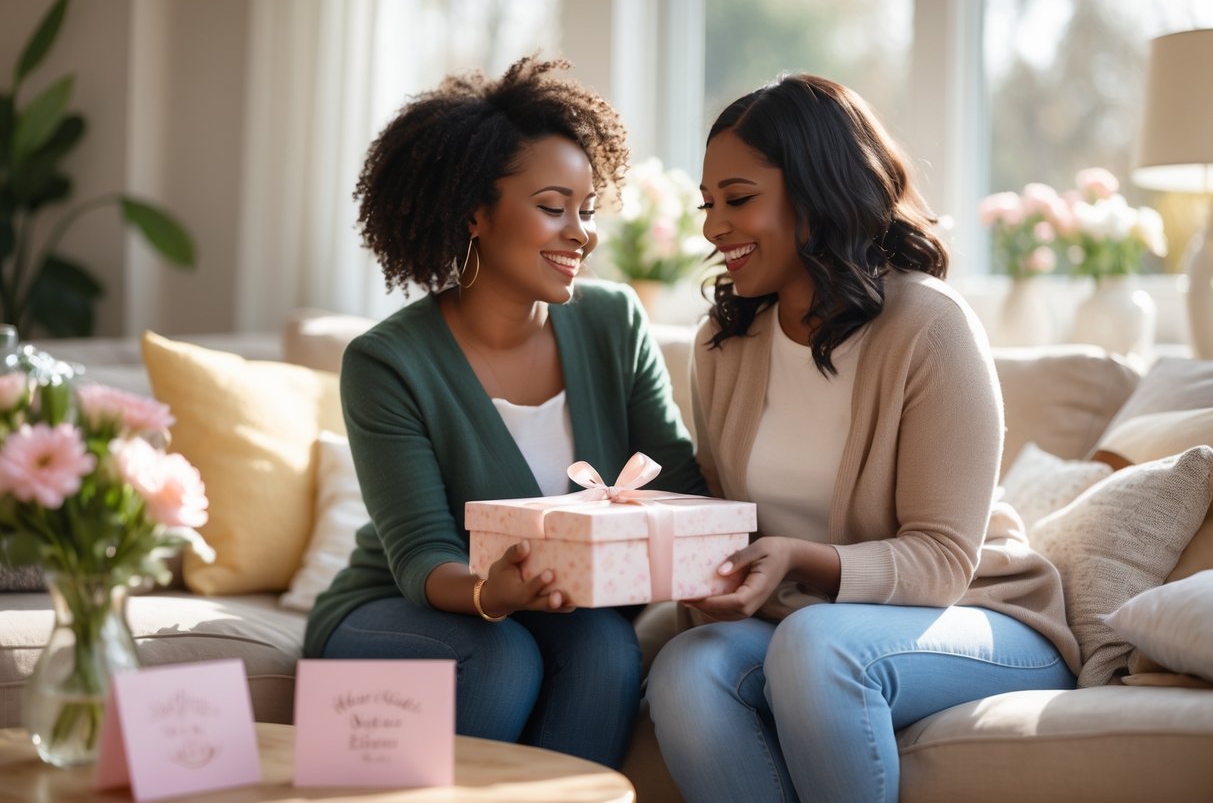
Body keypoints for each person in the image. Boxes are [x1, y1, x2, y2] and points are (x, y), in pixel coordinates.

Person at [646, 74, 1081, 802]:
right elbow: (728, 522)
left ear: (816, 193)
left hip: (973, 617)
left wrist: (797, 558)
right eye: (708, 204)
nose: (713, 227)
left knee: (817, 649)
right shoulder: (722, 346)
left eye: (739, 198)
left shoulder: (928, 328)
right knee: (686, 667)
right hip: (801, 623)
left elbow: (943, 560)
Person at [303, 57, 705, 770]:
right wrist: (495, 591)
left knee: (607, 649)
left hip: (558, 611)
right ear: (473, 213)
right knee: (499, 657)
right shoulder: (388, 361)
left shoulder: (612, 322)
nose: (581, 232)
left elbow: (677, 479)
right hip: (404, 610)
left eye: (587, 209)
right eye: (554, 207)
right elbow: (422, 554)